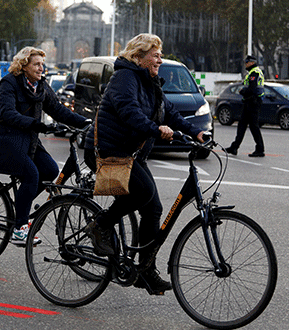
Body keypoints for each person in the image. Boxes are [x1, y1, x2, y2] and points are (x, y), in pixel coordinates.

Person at [83, 34, 206, 295]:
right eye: (155, 54)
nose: (160, 59)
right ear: (139, 56)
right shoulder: (124, 77)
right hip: (109, 150)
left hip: (131, 153)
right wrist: (155, 129)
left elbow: (169, 111)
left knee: (153, 209)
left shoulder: (150, 82)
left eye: (161, 54)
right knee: (144, 193)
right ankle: (100, 224)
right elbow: (129, 112)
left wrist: (195, 132)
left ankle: (145, 271)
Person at [0, 46, 91, 245]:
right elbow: (7, 113)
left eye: (42, 64)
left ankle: (21, 204)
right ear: (24, 66)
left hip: (26, 139)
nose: (41, 68)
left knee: (49, 170)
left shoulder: (40, 86)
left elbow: (57, 109)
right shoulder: (9, 83)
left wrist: (83, 122)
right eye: (36, 64)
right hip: (3, 139)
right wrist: (36, 124)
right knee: (32, 175)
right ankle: (20, 228)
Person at [226, 55, 265, 157]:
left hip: (253, 102)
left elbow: (251, 89)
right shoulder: (252, 72)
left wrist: (242, 91)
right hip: (249, 102)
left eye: (246, 62)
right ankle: (234, 147)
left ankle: (260, 149)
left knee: (253, 126)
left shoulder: (255, 72)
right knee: (242, 125)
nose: (245, 64)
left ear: (252, 62)